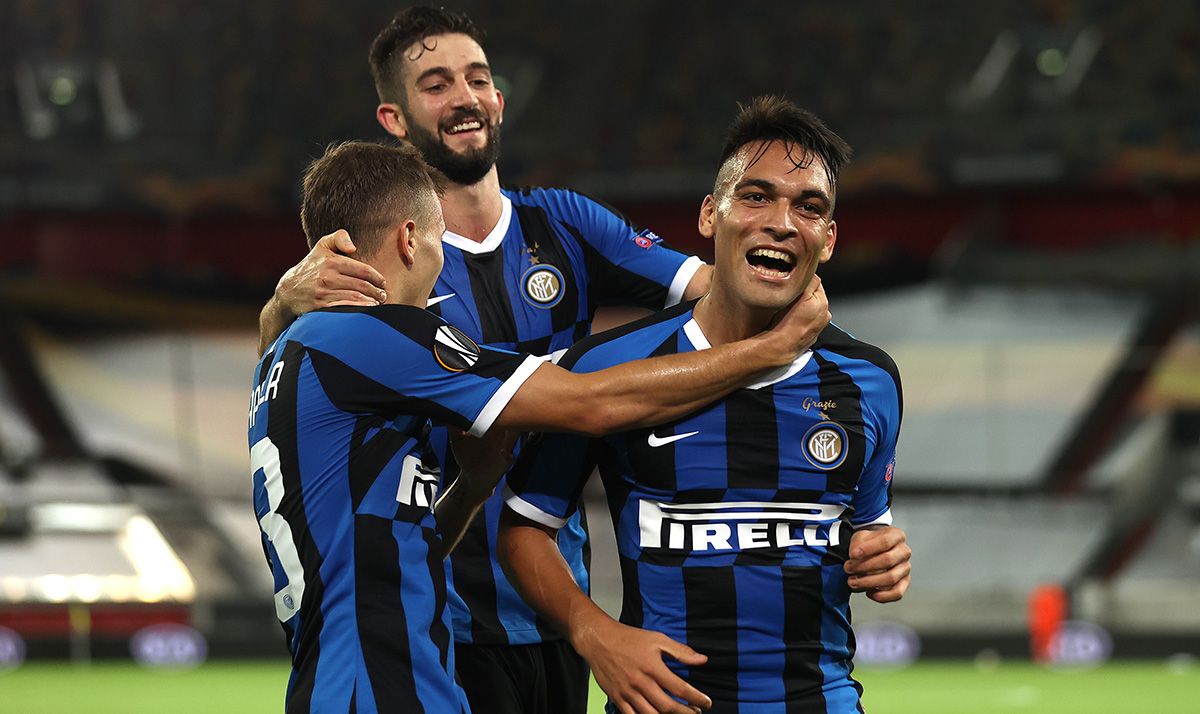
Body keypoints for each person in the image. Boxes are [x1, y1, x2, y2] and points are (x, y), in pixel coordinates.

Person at [249, 139, 831, 713]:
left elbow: (407, 544)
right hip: (382, 691)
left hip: (340, 682)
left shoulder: (282, 361)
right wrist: (769, 349)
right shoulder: (375, 337)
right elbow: (591, 405)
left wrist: (473, 487)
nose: (440, 267)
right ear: (408, 240)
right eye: (436, 245)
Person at [257, 7, 721, 713]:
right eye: (436, 84)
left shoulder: (566, 222)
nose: (464, 96)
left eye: (478, 78)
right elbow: (302, 419)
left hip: (551, 615)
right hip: (441, 634)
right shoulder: (362, 288)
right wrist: (278, 305)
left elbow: (729, 296)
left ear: (498, 98)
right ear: (395, 118)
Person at [498, 97, 912, 714]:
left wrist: (886, 560)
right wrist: (594, 632)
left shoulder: (868, 380)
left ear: (827, 240)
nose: (781, 221)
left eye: (809, 207)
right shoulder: (608, 369)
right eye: (755, 196)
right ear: (708, 217)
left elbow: (869, 532)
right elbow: (526, 527)